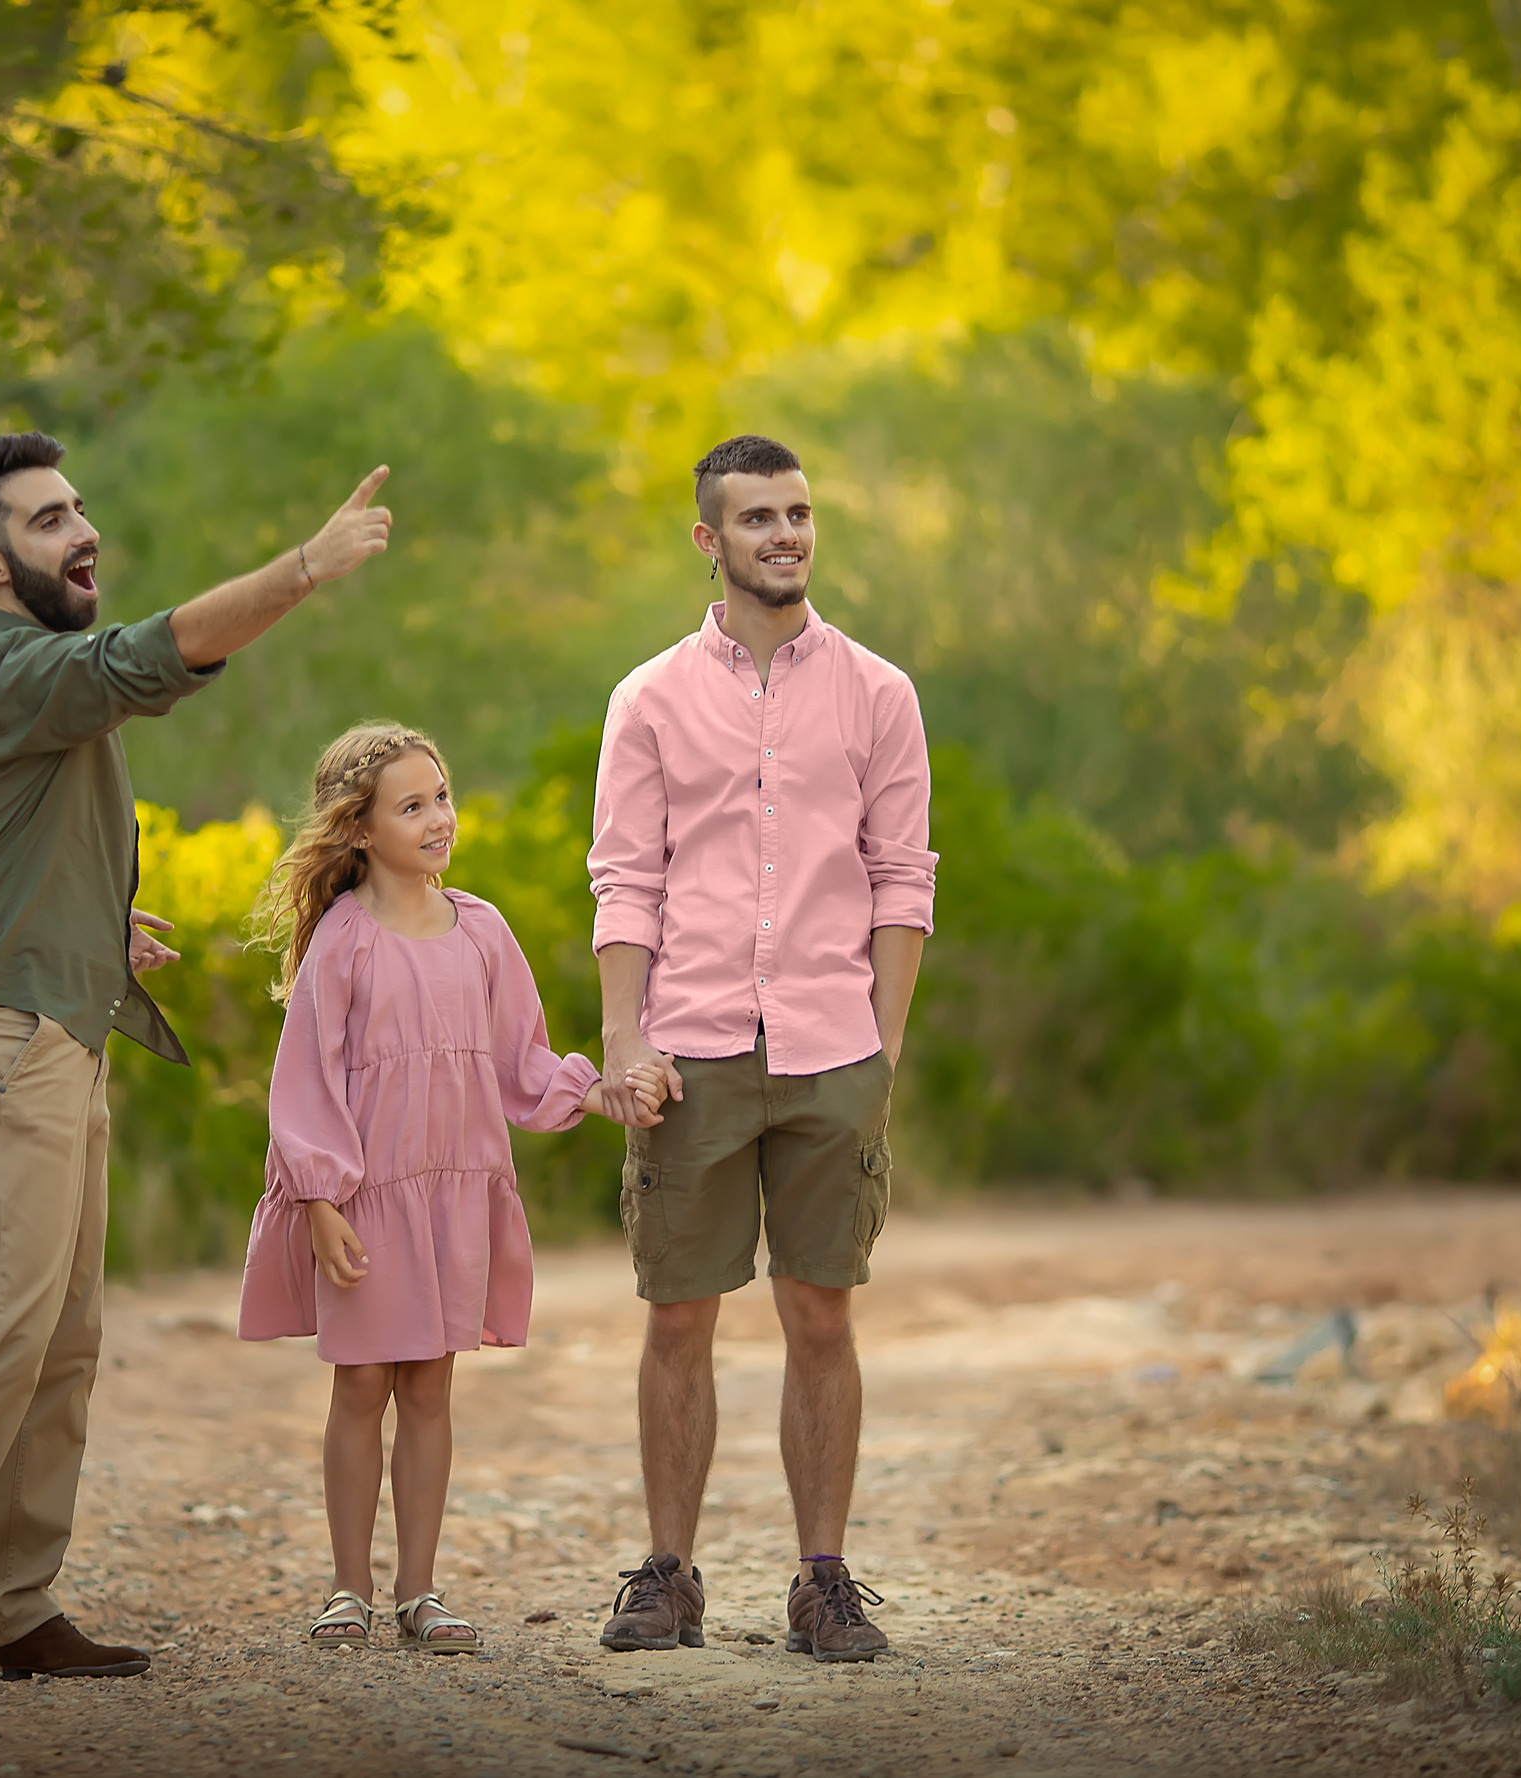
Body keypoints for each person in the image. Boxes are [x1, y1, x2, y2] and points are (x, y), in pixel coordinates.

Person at [0, 432, 394, 1688]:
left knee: (60, 1340)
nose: (81, 530)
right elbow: (148, 659)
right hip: (3, 1041)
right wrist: (305, 565)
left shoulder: (23, 679)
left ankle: (13, 1599)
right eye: (45, 521)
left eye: (78, 508)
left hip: (58, 1027)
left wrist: (93, 916)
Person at [587, 435, 936, 1663]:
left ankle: (821, 1579)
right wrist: (626, 1043)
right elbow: (626, 883)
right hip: (689, 1050)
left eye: (797, 513)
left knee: (821, 1316)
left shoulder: (881, 693)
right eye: (756, 518)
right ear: (709, 539)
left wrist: (881, 1048)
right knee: (679, 1316)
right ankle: (668, 1573)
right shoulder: (650, 698)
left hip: (836, 1049)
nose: (784, 534)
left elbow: (903, 880)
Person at [236, 723, 669, 1652]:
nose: (440, 819)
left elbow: (520, 1060)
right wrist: (317, 1198)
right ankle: (346, 1591)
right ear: (359, 829)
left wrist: (596, 1094)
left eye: (442, 797)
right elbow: (306, 1077)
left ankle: (418, 1593)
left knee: (430, 1387)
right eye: (413, 805)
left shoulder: (482, 930)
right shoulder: (344, 942)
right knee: (362, 1387)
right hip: (366, 1199)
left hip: (454, 1196)